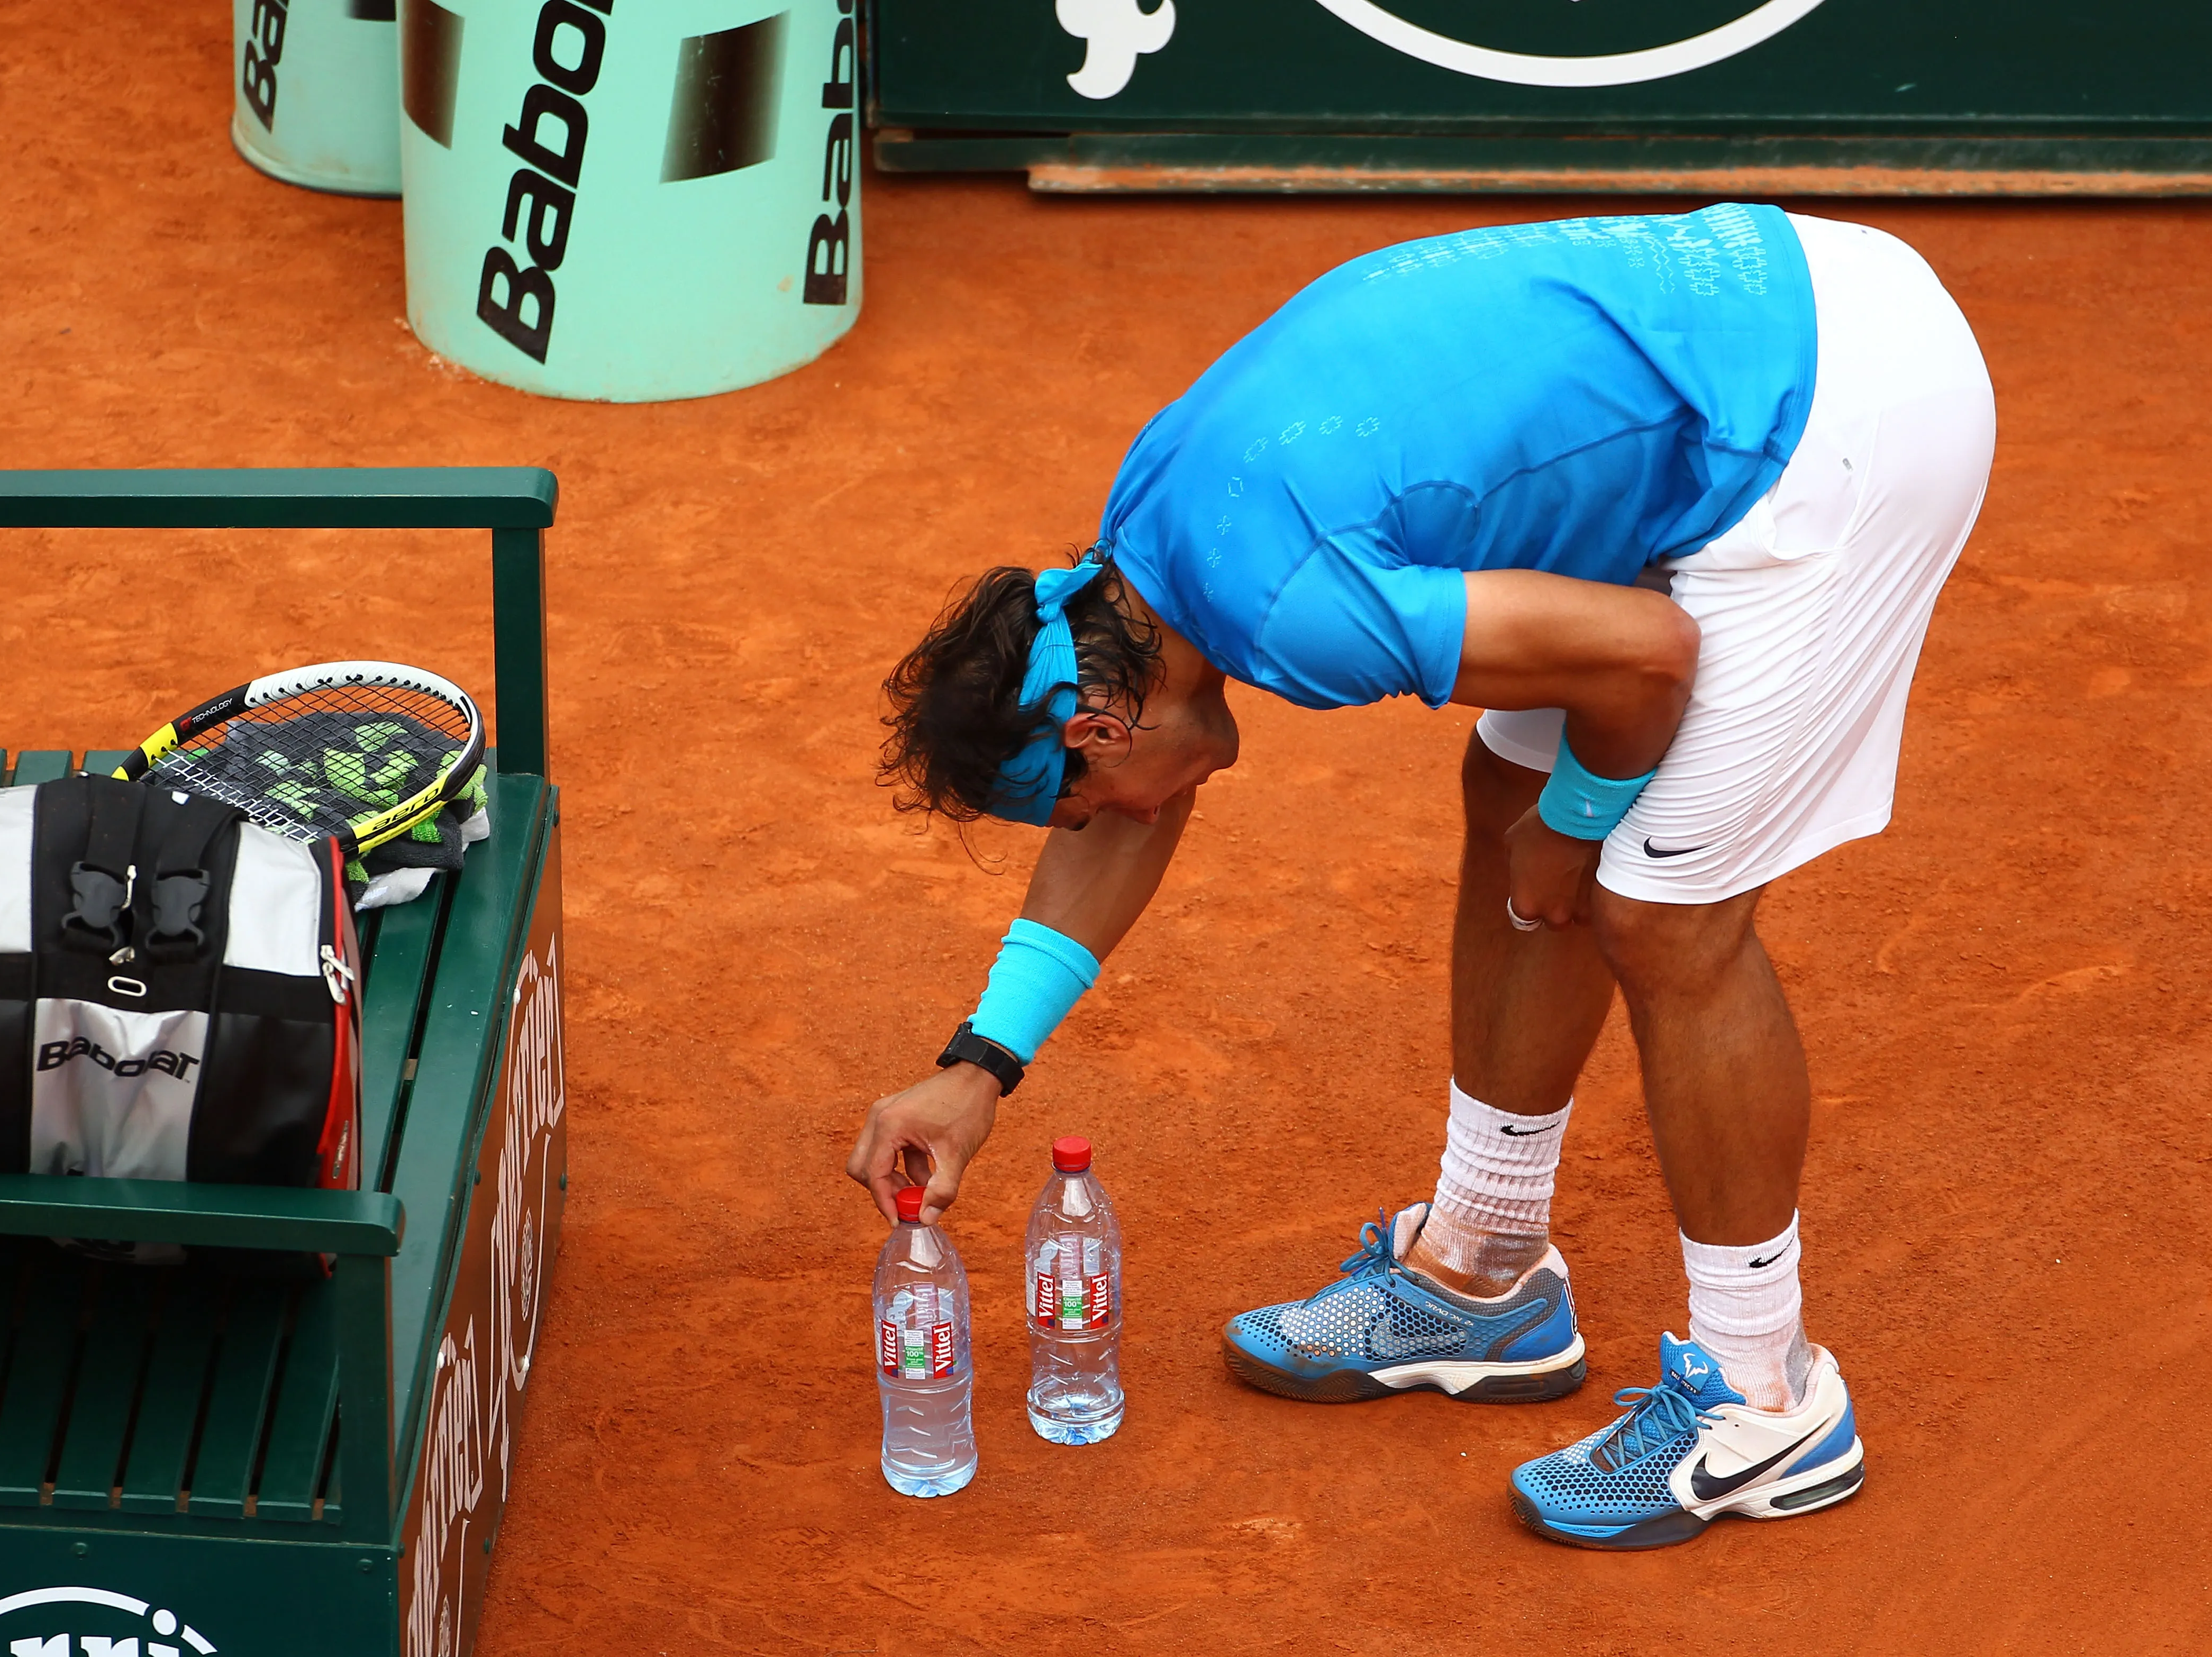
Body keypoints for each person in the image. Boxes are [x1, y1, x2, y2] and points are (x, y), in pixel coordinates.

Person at [843, 204, 1993, 1550]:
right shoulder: (1147, 555)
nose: (1113, 822)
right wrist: (978, 1065)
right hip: (1755, 318)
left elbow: (1642, 656)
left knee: (1656, 909)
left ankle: (1766, 1401)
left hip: (1832, 418)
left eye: (1084, 800)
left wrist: (1584, 817)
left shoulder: (1289, 612)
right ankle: (1483, 1269)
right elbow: (1140, 805)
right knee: (1506, 788)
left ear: (1099, 728)